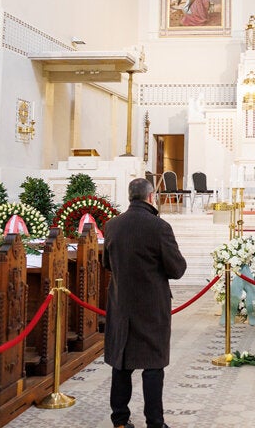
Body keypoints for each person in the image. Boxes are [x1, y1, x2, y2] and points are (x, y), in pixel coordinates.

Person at [103, 178, 187, 428]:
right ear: (151, 197)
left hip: (121, 304)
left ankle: (119, 420)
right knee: (153, 364)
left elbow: (107, 263)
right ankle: (154, 422)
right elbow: (177, 268)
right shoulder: (159, 227)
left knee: (121, 362)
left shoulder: (112, 226)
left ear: (130, 197)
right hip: (151, 306)